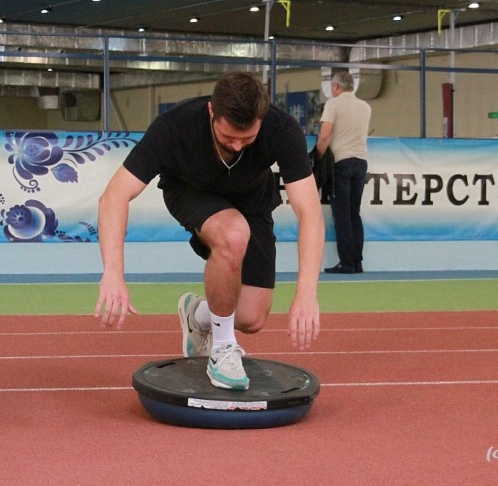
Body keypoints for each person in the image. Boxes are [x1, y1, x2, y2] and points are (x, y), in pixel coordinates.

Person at [94, 71, 325, 391]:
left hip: (253, 203)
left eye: (247, 138)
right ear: (211, 112)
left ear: (262, 119)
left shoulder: (282, 129)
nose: (237, 145)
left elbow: (309, 211)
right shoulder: (174, 127)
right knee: (233, 234)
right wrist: (113, 273)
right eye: (228, 137)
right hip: (190, 191)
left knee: (251, 319)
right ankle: (222, 349)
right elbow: (114, 196)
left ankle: (198, 315)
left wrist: (307, 292)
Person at [316, 71, 372, 274]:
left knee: (342, 214)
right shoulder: (365, 107)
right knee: (354, 212)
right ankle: (357, 261)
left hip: (341, 162)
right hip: (361, 162)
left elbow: (324, 135)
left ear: (336, 87)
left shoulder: (333, 104)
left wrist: (318, 157)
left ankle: (346, 262)